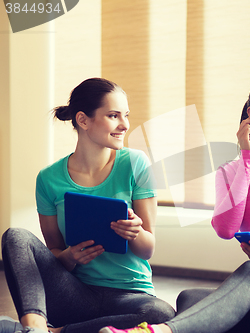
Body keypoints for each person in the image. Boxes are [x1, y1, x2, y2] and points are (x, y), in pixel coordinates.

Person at [100, 76, 250, 333]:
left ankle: (159, 332)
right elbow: (225, 230)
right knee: (189, 299)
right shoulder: (230, 171)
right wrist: (247, 161)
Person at [1, 78, 175, 333]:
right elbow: (55, 251)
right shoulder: (49, 179)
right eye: (113, 115)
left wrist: (135, 232)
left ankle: (54, 332)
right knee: (15, 236)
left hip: (128, 295)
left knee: (160, 313)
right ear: (83, 120)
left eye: (126, 115)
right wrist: (70, 257)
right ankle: (35, 326)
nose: (124, 125)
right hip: (74, 293)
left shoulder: (136, 163)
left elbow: (148, 249)